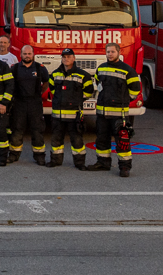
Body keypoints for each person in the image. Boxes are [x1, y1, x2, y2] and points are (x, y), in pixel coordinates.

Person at [88, 43, 141, 177]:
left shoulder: (128, 70)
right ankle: (103, 163)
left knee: (122, 141)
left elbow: (135, 90)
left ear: (118, 52)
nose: (110, 54)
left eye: (112, 52)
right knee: (102, 139)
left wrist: (123, 101)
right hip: (102, 113)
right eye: (108, 52)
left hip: (119, 114)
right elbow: (98, 83)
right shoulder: (101, 68)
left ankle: (124, 167)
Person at [47, 48, 94, 169]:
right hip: (58, 114)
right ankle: (55, 160)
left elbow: (89, 92)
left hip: (74, 114)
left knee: (77, 140)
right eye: (64, 57)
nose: (66, 59)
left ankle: (80, 163)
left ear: (74, 58)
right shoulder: (55, 74)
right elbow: (52, 89)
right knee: (56, 139)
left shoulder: (83, 75)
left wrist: (76, 100)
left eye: (68, 57)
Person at [8, 44, 49, 165]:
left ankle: (39, 156)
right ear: (21, 55)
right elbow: (9, 84)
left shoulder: (40, 68)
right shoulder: (14, 68)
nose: (27, 56)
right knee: (17, 129)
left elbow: (46, 83)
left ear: (33, 55)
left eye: (29, 54)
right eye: (25, 54)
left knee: (37, 130)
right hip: (19, 103)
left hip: (35, 103)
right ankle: (14, 154)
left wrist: (39, 93)